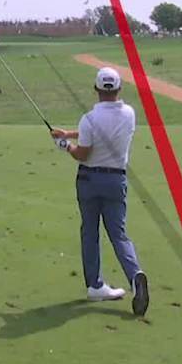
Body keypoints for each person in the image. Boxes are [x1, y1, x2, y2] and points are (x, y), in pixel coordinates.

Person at [51, 66, 150, 316]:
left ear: (96, 89)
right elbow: (100, 133)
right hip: (115, 181)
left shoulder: (89, 119)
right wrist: (69, 133)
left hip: (88, 181)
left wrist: (66, 145)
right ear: (119, 88)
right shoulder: (129, 114)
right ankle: (135, 275)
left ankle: (95, 285)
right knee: (119, 234)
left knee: (90, 232)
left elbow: (83, 153)